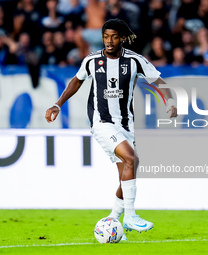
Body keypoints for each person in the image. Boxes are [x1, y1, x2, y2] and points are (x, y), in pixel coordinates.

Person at [45, 19, 177, 234]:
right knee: (132, 159)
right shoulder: (92, 60)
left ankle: (111, 220)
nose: (109, 41)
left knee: (127, 173)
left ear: (122, 38)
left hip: (126, 125)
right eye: (106, 37)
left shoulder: (135, 61)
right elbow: (76, 81)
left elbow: (159, 82)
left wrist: (170, 102)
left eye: (114, 37)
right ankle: (131, 217)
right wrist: (57, 104)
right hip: (102, 122)